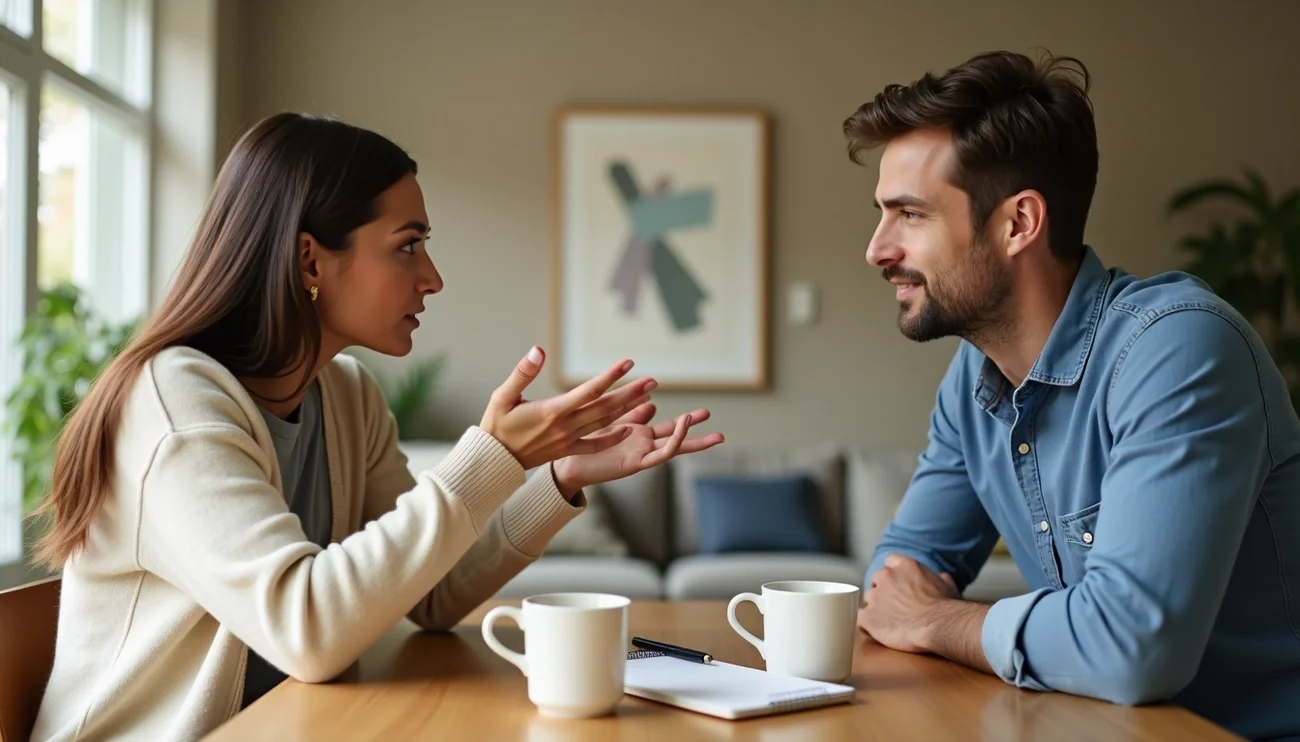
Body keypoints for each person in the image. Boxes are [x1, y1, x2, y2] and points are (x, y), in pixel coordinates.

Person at [29, 112, 725, 742]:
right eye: (408, 245)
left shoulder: (345, 394)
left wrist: (556, 475)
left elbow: (431, 594)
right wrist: (487, 456)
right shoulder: (174, 405)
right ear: (310, 260)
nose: (433, 278)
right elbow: (309, 629)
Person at [844, 50, 1300, 740]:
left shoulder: (1177, 350)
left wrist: (936, 620)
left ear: (1018, 223)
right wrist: (923, 607)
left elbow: (1131, 650)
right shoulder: (973, 382)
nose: (877, 248)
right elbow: (898, 576)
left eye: (909, 214)